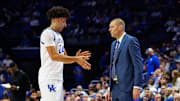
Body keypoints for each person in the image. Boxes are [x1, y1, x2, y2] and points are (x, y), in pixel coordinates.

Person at [38, 6, 91, 101]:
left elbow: (64, 58)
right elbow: (54, 56)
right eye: (64, 21)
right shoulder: (47, 33)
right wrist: (75, 59)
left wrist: (76, 58)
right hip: (49, 76)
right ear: (57, 20)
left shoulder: (59, 36)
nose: (65, 25)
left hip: (58, 77)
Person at [105, 18, 143, 101]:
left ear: (120, 27)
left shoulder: (131, 41)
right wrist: (109, 88)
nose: (109, 29)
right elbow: (113, 66)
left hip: (127, 88)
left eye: (112, 27)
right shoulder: (113, 44)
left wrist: (137, 86)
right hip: (115, 88)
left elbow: (138, 65)